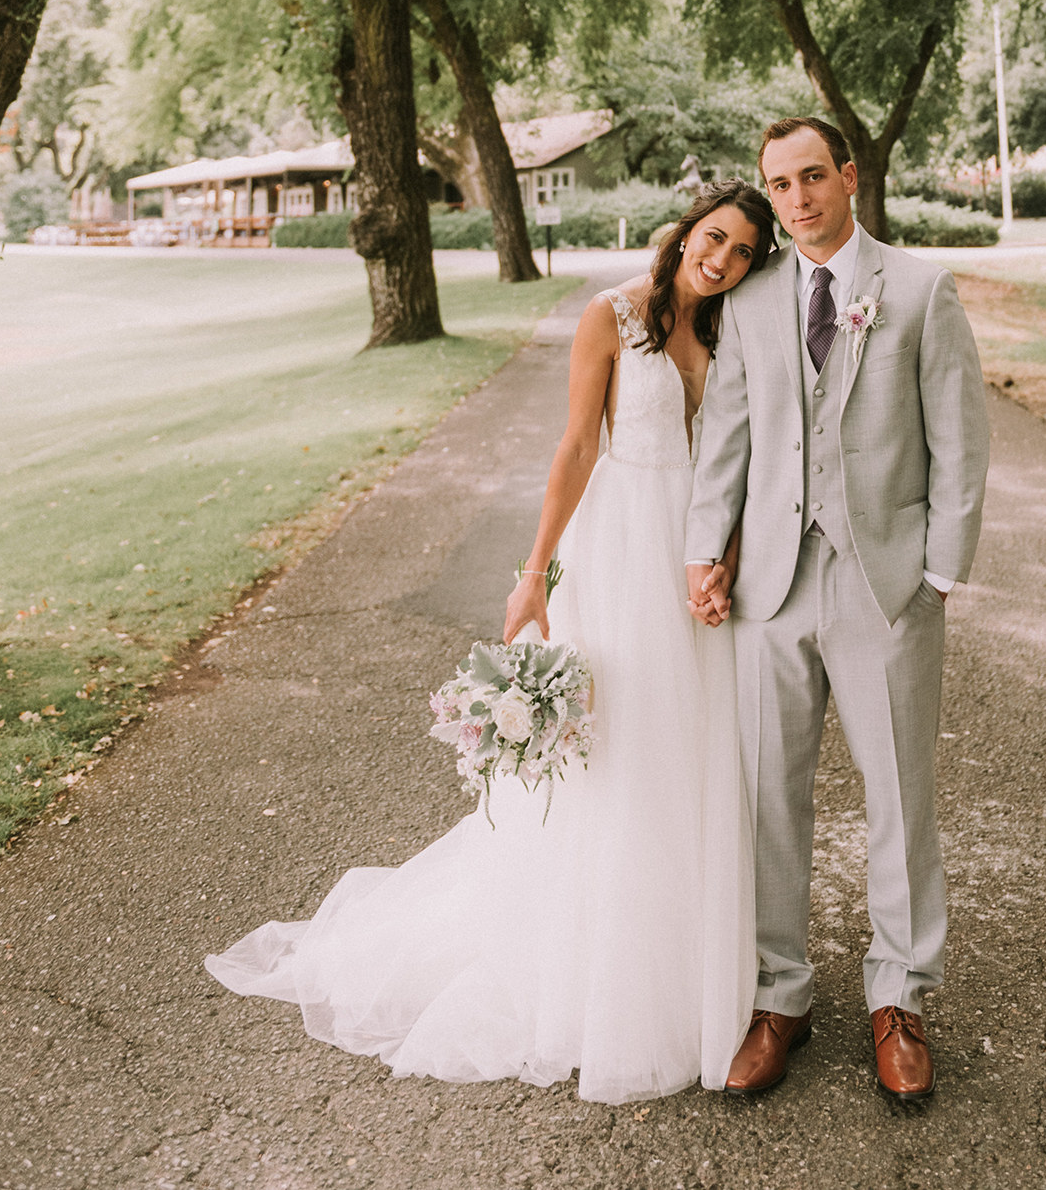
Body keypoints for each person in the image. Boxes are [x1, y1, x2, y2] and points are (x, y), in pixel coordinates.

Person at [204, 180, 775, 1106]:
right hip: (619, 550)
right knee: (617, 747)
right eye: (715, 238)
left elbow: (739, 460)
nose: (723, 260)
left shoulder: (731, 329)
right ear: (687, 232)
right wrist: (534, 574)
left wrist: (726, 559)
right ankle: (597, 966)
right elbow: (575, 450)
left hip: (696, 560)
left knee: (690, 748)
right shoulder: (612, 317)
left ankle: (689, 950)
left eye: (744, 251)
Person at [686, 118, 990, 1107]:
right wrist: (705, 553)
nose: (797, 198)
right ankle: (779, 996)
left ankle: (899, 996)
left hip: (884, 583)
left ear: (848, 176)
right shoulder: (752, 300)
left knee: (899, 792)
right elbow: (727, 440)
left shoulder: (921, 290)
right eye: (779, 185)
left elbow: (960, 438)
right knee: (768, 793)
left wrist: (939, 573)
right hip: (770, 589)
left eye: (813, 176)